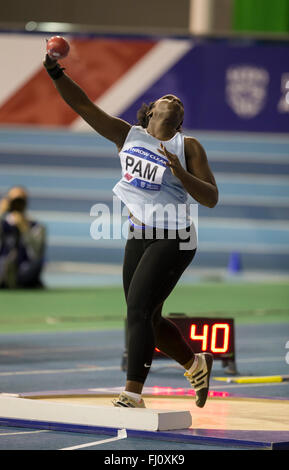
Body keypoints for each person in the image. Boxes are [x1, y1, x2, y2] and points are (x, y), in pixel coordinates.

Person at [43, 52, 218, 409]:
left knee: (137, 310)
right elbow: (82, 104)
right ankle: (195, 363)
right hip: (138, 235)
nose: (173, 101)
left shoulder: (188, 147)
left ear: (179, 122)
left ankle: (132, 393)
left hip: (175, 239)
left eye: (179, 104)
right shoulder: (127, 135)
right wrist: (54, 71)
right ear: (151, 112)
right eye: (165, 99)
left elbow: (211, 198)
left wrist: (181, 173)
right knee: (149, 315)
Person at [0, 186, 46, 289]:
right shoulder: (3, 223)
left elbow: (37, 252)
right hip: (3, 267)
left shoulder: (36, 226)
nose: (17, 204)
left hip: (24, 269)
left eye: (20, 200)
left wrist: (25, 229)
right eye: (13, 200)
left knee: (39, 262)